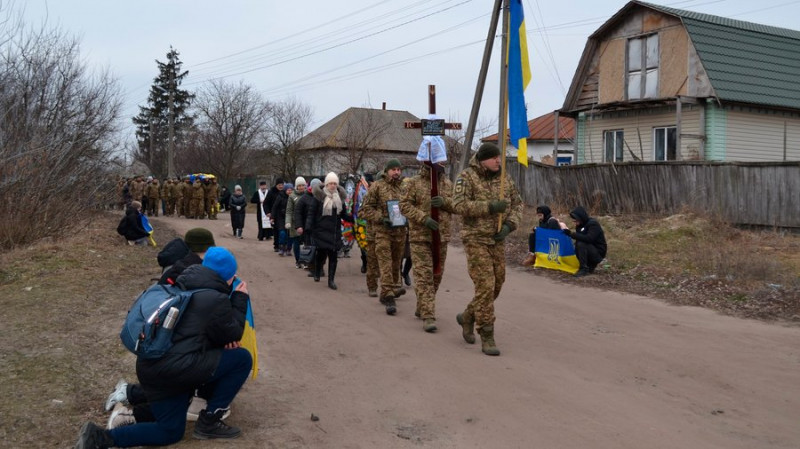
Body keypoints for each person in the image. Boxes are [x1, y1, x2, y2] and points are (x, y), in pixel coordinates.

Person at [74, 247, 252, 448]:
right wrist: (239, 298)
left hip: (153, 366)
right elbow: (234, 334)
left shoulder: (182, 282)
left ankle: (115, 424)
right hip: (174, 372)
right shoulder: (214, 299)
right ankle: (210, 420)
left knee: (172, 420)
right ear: (227, 276)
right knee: (241, 359)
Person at [452, 143, 523, 356]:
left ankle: (467, 316)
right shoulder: (468, 177)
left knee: (497, 284)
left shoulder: (504, 180)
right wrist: (490, 207)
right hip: (475, 239)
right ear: (483, 159)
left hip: (497, 239)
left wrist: (510, 225)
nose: (498, 161)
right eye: (494, 158)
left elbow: (518, 204)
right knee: (485, 284)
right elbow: (458, 205)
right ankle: (487, 334)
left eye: (499, 158)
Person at [399, 161, 454, 333]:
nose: (440, 164)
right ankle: (429, 315)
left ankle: (422, 304)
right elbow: (404, 205)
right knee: (424, 277)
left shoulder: (447, 183)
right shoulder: (414, 182)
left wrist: (444, 202)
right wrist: (423, 218)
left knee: (437, 276)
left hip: (441, 237)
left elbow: (458, 206)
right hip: (420, 237)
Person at [359, 159, 407, 315]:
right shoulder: (377, 187)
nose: (396, 172)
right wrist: (381, 217)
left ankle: (390, 290)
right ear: (386, 171)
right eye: (393, 169)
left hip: (400, 232)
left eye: (399, 169)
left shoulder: (404, 188)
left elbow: (410, 207)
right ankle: (387, 296)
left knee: (395, 264)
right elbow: (365, 209)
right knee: (383, 263)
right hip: (382, 232)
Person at [306, 172, 349, 289]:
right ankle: (317, 271)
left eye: (335, 183)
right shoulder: (318, 197)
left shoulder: (339, 198)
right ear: (326, 184)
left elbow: (343, 214)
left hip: (334, 232)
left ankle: (331, 280)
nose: (333, 186)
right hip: (321, 230)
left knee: (333, 256)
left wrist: (352, 218)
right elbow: (311, 213)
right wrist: (308, 227)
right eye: (330, 183)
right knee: (320, 254)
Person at [562, 206, 607, 277]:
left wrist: (571, 234)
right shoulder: (580, 225)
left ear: (580, 218)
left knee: (581, 243)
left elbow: (589, 238)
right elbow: (580, 237)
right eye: (574, 221)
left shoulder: (593, 224)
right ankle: (588, 266)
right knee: (577, 244)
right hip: (590, 249)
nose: (575, 223)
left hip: (598, 252)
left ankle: (584, 268)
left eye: (576, 221)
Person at [294, 178, 324, 277]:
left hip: (320, 228)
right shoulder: (304, 198)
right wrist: (299, 226)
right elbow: (297, 213)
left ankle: (320, 268)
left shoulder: (323, 197)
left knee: (321, 249)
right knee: (311, 249)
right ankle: (313, 268)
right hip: (308, 228)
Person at [286, 177, 306, 268]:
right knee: (296, 242)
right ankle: (298, 261)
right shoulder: (292, 196)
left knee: (306, 243)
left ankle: (306, 260)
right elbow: (289, 211)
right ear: (296, 186)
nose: (301, 187)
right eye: (299, 185)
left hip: (305, 222)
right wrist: (288, 221)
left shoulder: (307, 195)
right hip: (295, 223)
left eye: (303, 185)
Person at [271, 183, 292, 256]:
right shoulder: (280, 196)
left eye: (291, 190)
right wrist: (272, 217)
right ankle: (281, 247)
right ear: (285, 190)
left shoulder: (293, 197)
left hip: (290, 218)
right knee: (282, 233)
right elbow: (274, 207)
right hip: (281, 218)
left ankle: (288, 248)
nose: (289, 191)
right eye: (288, 190)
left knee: (290, 235)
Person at [264, 178, 285, 250]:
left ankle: (283, 244)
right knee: (276, 230)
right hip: (274, 213)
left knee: (283, 230)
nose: (281, 186)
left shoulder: (285, 192)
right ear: (276, 185)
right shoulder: (271, 192)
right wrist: (267, 212)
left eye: (282, 185)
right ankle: (276, 245)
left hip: (283, 213)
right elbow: (265, 203)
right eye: (279, 185)